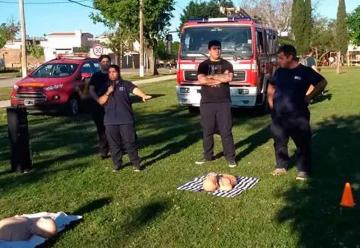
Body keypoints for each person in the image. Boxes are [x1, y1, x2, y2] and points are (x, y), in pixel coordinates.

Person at [267, 45, 327, 181]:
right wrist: (271, 102)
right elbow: (271, 85)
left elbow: (322, 82)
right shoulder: (279, 72)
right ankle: (281, 166)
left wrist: (309, 96)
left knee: (302, 143)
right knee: (279, 142)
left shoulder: (305, 71)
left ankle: (303, 170)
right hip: (279, 115)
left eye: (281, 58)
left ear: (290, 57)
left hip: (298, 115)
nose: (279, 61)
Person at [98, 65, 152, 172]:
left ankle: (136, 163)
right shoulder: (105, 86)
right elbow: (101, 101)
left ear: (118, 72)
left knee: (130, 143)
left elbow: (135, 89)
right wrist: (108, 92)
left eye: (114, 71)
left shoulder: (125, 84)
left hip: (126, 120)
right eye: (109, 72)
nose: (112, 74)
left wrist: (143, 95)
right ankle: (117, 164)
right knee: (114, 145)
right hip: (110, 121)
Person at [196, 40, 237, 168]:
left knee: (226, 130)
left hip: (223, 102)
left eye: (219, 48)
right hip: (207, 102)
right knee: (207, 130)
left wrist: (211, 77)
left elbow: (228, 78)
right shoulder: (203, 65)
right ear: (209, 50)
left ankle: (230, 158)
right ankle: (208, 156)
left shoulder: (226, 64)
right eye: (214, 48)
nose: (217, 51)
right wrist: (219, 77)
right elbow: (202, 80)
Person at [89, 55, 111, 159]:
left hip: (111, 106)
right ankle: (104, 151)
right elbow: (91, 90)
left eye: (107, 61)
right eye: (103, 61)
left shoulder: (113, 75)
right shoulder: (96, 76)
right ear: (100, 63)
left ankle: (115, 148)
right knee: (101, 129)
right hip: (98, 107)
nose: (105, 63)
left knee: (112, 128)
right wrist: (98, 100)